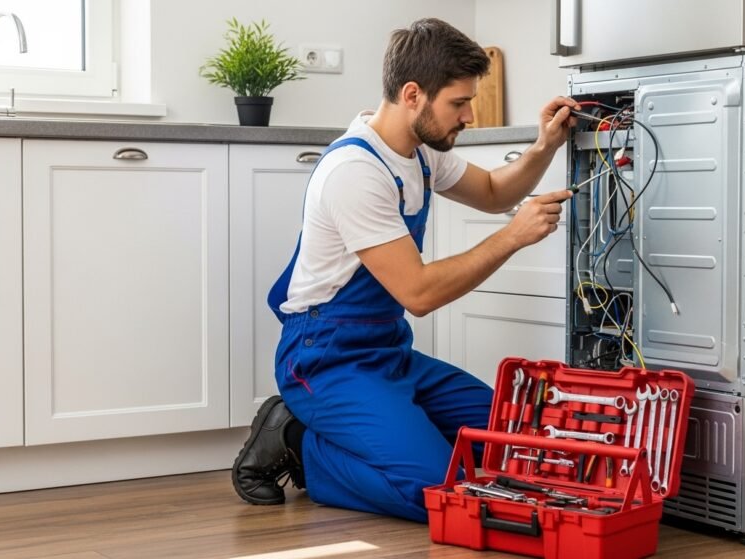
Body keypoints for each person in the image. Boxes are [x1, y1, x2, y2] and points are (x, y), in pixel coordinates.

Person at [231, 17, 577, 523]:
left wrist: (546, 144)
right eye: (459, 102)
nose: (469, 114)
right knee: (446, 491)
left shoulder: (418, 153)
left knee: (515, 445)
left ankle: (398, 435)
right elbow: (417, 292)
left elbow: (494, 192)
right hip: (325, 361)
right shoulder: (356, 172)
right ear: (413, 94)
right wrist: (513, 236)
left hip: (388, 353)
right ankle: (299, 440)